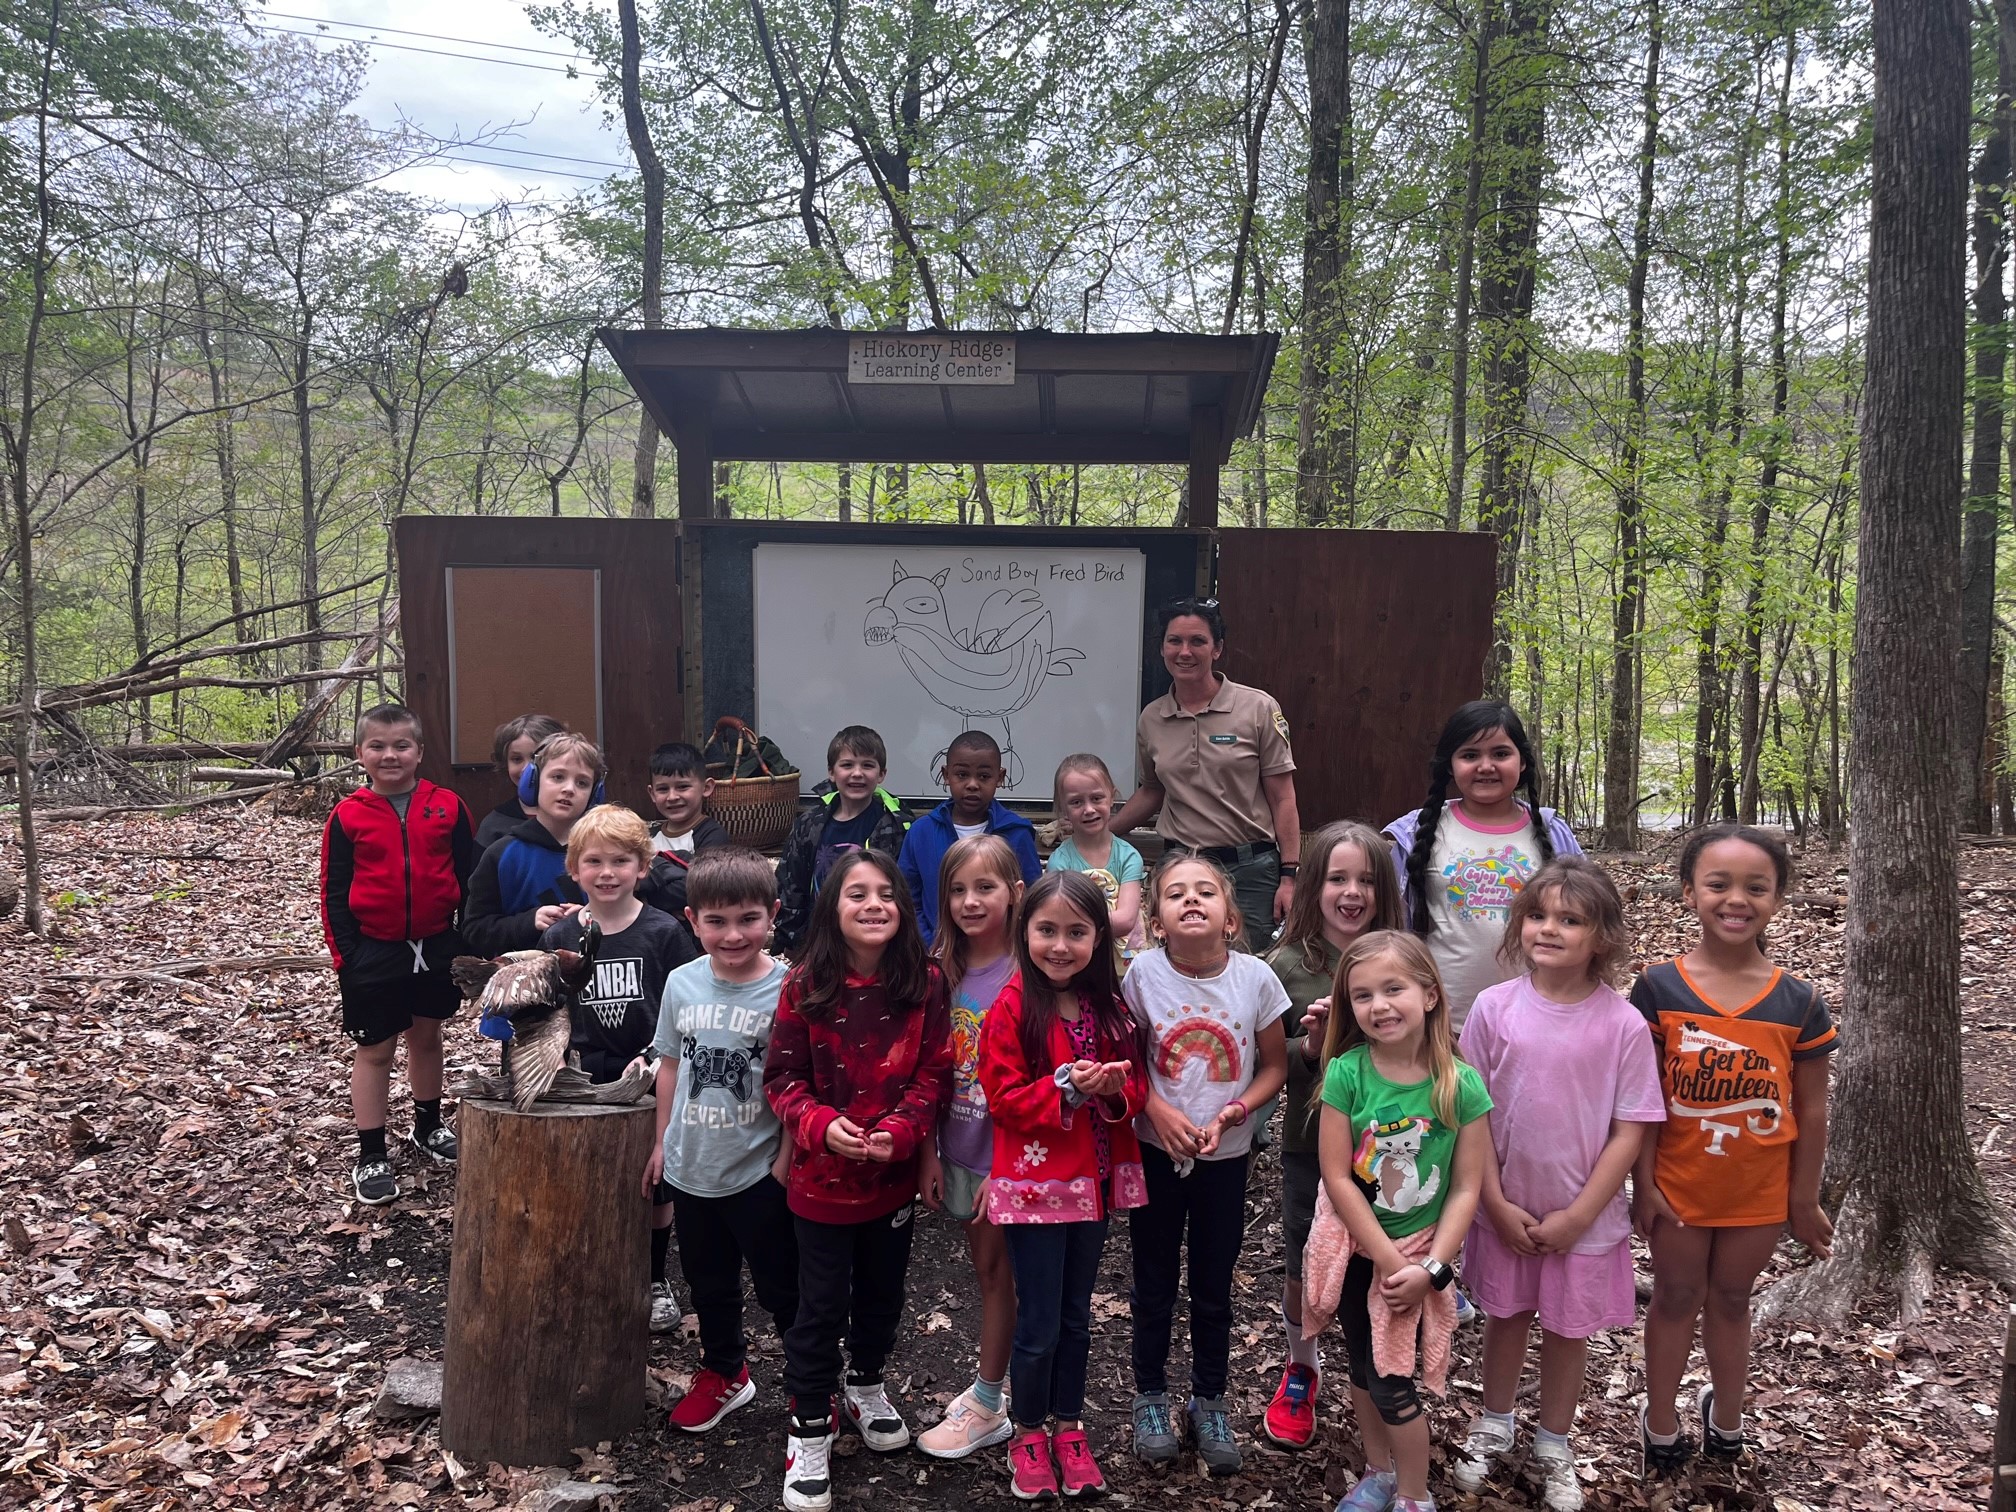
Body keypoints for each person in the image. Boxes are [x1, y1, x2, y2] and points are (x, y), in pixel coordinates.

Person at [1450, 858, 1664, 1511]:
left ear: (1602, 937)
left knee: (1569, 1331)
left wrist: (1579, 1216)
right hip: (1505, 1208)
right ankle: (1494, 1422)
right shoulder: (1494, 1009)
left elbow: (1630, 1130)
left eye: (1569, 920)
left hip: (1585, 1221)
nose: (1549, 929)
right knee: (1506, 1316)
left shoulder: (1623, 1025)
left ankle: (1553, 1442)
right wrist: (1492, 1201)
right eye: (1538, 915)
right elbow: (1471, 1112)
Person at [1631, 824, 1835, 1473]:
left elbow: (1813, 1109)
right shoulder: (1657, 989)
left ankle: (1726, 1417)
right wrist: (1643, 1184)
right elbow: (1641, 1101)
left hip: (1760, 1192)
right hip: (1678, 1186)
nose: (1736, 899)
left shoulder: (1799, 1001)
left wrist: (1803, 1199)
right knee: (1674, 1296)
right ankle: (1660, 1421)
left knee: (1731, 1299)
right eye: (1718, 884)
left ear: (1777, 899)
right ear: (1690, 892)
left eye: (1756, 887)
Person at [763, 851, 952, 1512]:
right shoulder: (805, 984)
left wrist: (905, 1130)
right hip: (820, 1181)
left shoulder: (924, 982)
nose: (874, 905)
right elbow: (782, 1078)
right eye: (856, 894)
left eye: (885, 893)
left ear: (903, 905)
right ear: (831, 908)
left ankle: (866, 1384)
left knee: (882, 1294)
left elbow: (936, 1071)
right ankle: (809, 1425)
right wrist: (818, 1125)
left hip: (892, 1179)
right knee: (819, 1307)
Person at [977, 870, 1150, 1499]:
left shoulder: (1111, 1007)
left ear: (1099, 937)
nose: (1060, 945)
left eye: (1076, 932)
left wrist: (1112, 1091)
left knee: (1077, 1317)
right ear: (1024, 931)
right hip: (1036, 1191)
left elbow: (1136, 1087)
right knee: (1039, 1322)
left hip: (1094, 1187)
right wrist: (1066, 1087)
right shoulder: (1013, 1006)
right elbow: (1002, 1097)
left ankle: (1069, 1428)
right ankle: (1027, 1432)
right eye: (1046, 930)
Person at [1314, 931, 1492, 1512]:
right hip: (1355, 1250)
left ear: (1430, 995)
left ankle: (1415, 1496)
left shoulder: (1460, 1085)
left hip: (1419, 1258)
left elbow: (1466, 1187)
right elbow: (1337, 1176)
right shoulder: (1346, 1073)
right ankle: (1378, 1472)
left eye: (1394, 989)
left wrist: (1432, 1269)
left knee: (1393, 1383)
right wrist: (1389, 1261)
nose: (1379, 1005)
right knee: (1362, 1369)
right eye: (1362, 995)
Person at [1123, 853, 1290, 1476]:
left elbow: (1274, 1064)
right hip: (1155, 1152)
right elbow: (1127, 1060)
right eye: (1174, 894)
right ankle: (1150, 1397)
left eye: (1205, 892)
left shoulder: (1256, 979)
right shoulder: (1142, 974)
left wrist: (1237, 1110)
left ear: (1231, 919)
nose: (1190, 899)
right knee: (1153, 1281)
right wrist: (1156, 1111)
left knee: (1214, 1284)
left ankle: (1209, 1400)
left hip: (1226, 1157)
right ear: (1157, 923)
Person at [1259, 821, 1404, 1450]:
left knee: (1379, 1262)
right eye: (1338, 878)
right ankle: (1302, 1368)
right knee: (1306, 1264)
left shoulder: (1403, 958)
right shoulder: (1286, 966)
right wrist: (1311, 1047)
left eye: (1366, 880)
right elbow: (1268, 1061)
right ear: (1313, 884)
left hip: (1394, 1148)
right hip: (1311, 1146)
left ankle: (1379, 1376)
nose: (1352, 892)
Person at [647, 848, 800, 1431]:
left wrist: (785, 1160)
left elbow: (798, 1081)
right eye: (716, 921)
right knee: (708, 1282)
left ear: (773, 914)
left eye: (748, 919)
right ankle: (725, 1371)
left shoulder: (788, 988)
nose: (733, 935)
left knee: (782, 1285)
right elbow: (670, 1065)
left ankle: (811, 1383)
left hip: (758, 1169)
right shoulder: (682, 983)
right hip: (692, 1167)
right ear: (692, 920)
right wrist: (662, 1142)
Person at [539, 806, 698, 1332]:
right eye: (594, 861)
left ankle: (652, 1277)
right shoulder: (560, 935)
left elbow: (685, 1007)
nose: (607, 873)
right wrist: (556, 1059)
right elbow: (546, 1010)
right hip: (584, 1073)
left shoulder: (663, 931)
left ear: (643, 867)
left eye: (620, 861)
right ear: (574, 869)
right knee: (587, 1177)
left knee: (653, 1182)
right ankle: (592, 1272)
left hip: (649, 1073)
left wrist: (655, 1055)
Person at [320, 703, 478, 1206]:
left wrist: (461, 942)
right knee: (376, 1049)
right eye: (378, 746)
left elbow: (469, 877)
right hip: (374, 950)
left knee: (427, 1036)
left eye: (401, 745)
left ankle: (427, 1125)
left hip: (435, 944)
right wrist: (347, 957)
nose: (390, 755)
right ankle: (370, 1152)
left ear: (420, 751)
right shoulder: (348, 815)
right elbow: (333, 890)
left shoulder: (447, 806)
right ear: (359, 753)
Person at [1111, 597, 1301, 955]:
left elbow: (1283, 797)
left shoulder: (1258, 708)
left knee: (1250, 967)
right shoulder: (1152, 718)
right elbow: (1152, 790)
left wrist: (1289, 876)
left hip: (1249, 873)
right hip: (1181, 870)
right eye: (1174, 641)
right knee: (1179, 964)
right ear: (1162, 648)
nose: (1185, 651)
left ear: (1217, 649)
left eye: (1197, 641)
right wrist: (1103, 832)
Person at [1382, 700, 1582, 1035]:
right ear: (1450, 764)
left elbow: (1589, 918)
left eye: (1501, 754)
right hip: (1441, 1022)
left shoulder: (1552, 832)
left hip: (1537, 1022)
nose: (1486, 766)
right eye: (1470, 755)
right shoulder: (1415, 833)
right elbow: (1390, 927)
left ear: (1522, 762)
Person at [917, 837, 1024, 1462]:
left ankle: (990, 1404)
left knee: (1005, 1275)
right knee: (988, 1272)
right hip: (958, 1144)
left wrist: (1006, 1165)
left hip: (1010, 1160)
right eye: (957, 890)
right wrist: (930, 1153)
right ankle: (998, 1390)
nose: (970, 901)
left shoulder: (1028, 971)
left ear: (1015, 892)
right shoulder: (940, 972)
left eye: (985, 887)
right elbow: (929, 1072)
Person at [462, 731, 606, 958]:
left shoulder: (608, 852)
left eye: (582, 783)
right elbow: (474, 931)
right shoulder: (502, 855)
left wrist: (593, 919)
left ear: (594, 795)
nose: (569, 789)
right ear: (533, 783)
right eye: (558, 777)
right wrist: (528, 922)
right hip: (524, 976)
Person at [774, 726, 910, 957]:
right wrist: (793, 940)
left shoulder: (897, 825)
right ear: (831, 772)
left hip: (874, 942)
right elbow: (791, 884)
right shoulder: (810, 824)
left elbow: (903, 889)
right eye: (847, 765)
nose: (857, 773)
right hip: (818, 942)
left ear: (881, 774)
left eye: (867, 765)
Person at [899, 730, 1042, 944]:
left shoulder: (1016, 833)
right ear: (946, 775)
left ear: (1000, 777)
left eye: (984, 776)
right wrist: (929, 945)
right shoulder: (922, 832)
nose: (972, 784)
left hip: (1000, 952)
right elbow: (907, 898)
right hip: (935, 952)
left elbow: (1031, 898)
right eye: (962, 775)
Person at [1045, 753, 1145, 961]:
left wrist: (1078, 925)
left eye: (1097, 798)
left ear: (1112, 797)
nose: (1089, 809)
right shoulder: (1060, 861)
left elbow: (1126, 920)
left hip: (1124, 961)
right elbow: (1059, 918)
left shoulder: (1128, 857)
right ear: (1063, 808)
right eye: (1076, 802)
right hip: (1076, 960)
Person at [475, 713, 565, 853]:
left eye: (536, 758)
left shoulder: (583, 819)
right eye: (517, 759)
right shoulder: (493, 825)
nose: (526, 769)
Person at [647, 741, 731, 860]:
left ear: (706, 788)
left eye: (682, 787)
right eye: (663, 789)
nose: (672, 797)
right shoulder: (647, 837)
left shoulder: (712, 835)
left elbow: (707, 872)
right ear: (652, 794)